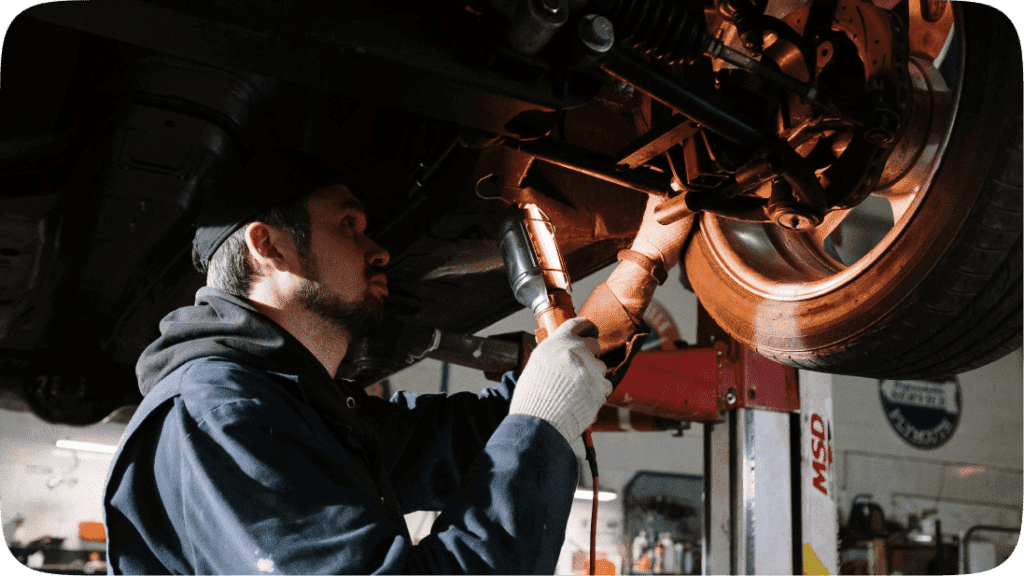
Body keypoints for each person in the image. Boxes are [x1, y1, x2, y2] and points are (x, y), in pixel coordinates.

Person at [102, 148, 690, 574]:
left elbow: (493, 431)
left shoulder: (305, 410)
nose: (378, 247)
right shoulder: (215, 414)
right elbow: (532, 424)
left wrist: (641, 267)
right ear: (269, 245)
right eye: (348, 224)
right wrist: (544, 422)